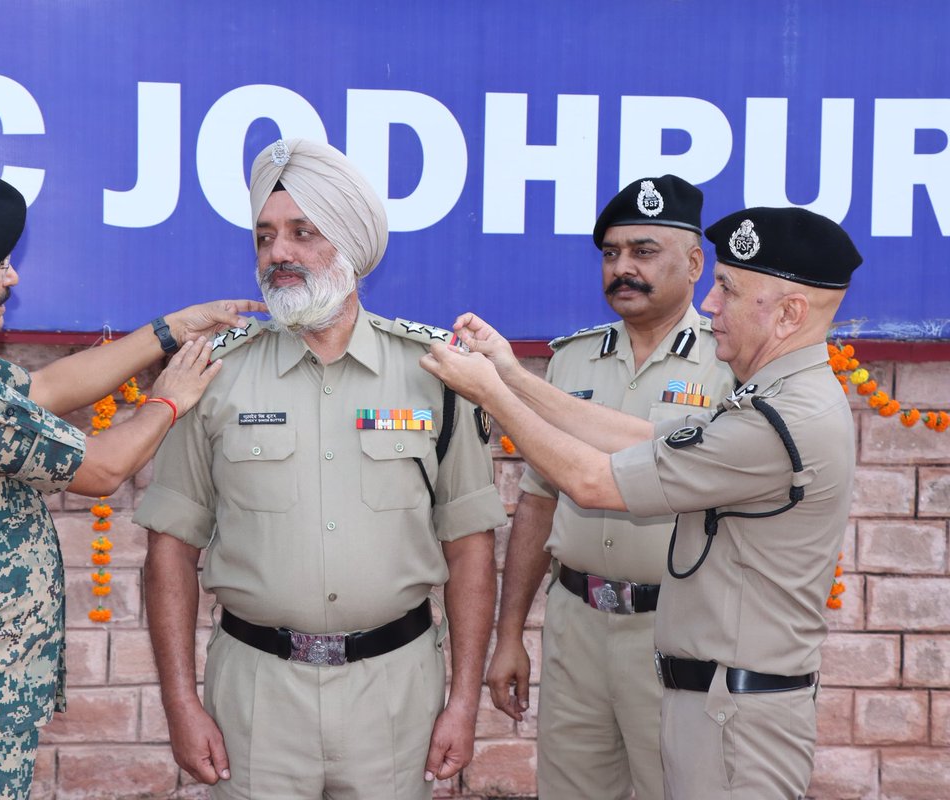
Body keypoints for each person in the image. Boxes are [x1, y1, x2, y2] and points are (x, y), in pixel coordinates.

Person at [0, 166, 262, 799]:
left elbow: (41, 389)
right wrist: (169, 400)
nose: (12, 277)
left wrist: (169, 329)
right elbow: (102, 468)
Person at [421, 206, 861, 800]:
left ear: (789, 314)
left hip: (734, 717)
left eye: (728, 289)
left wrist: (491, 395)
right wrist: (512, 376)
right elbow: (645, 438)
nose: (711, 304)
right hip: (714, 700)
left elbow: (594, 482)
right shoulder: (778, 400)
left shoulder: (780, 420)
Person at [135, 138, 507, 799]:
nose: (278, 253)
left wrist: (463, 699)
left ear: (352, 246)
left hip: (396, 695)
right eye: (265, 236)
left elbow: (470, 545)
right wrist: (180, 702)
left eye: (303, 233)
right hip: (256, 696)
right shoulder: (211, 375)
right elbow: (170, 548)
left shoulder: (436, 374)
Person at [485, 175, 734, 800]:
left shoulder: (729, 365)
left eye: (643, 252)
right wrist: (510, 633)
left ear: (694, 264)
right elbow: (539, 502)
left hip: (677, 629)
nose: (623, 268)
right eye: (611, 254)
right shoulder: (571, 361)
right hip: (577, 627)